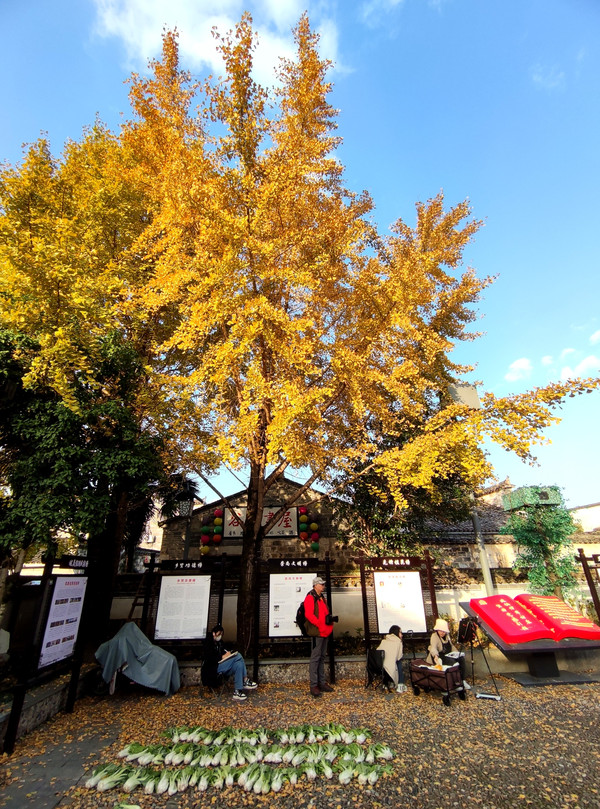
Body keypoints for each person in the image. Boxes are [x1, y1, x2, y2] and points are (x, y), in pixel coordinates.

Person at [201, 624, 257, 702]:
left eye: (221, 634)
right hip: (213, 668)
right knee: (238, 655)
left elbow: (225, 650)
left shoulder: (220, 643)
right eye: (219, 634)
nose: (220, 636)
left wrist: (228, 654)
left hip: (221, 665)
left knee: (239, 665)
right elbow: (210, 658)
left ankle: (237, 691)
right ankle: (245, 680)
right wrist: (222, 657)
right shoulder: (208, 643)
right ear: (214, 633)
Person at [304, 576, 334, 698]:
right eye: (321, 584)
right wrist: (319, 624)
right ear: (315, 585)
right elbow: (308, 614)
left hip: (324, 631)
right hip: (317, 632)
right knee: (315, 658)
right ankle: (314, 684)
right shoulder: (310, 597)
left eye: (323, 584)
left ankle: (321, 682)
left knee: (321, 657)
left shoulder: (322, 597)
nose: (323, 586)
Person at [426, 618, 469, 688]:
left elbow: (451, 646)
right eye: (440, 631)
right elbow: (433, 647)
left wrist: (457, 653)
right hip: (439, 657)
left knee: (461, 659)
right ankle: (455, 683)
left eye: (444, 631)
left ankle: (462, 680)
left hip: (447, 655)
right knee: (453, 663)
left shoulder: (447, 636)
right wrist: (435, 656)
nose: (442, 633)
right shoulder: (434, 636)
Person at [376, 625, 407, 693]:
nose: (402, 635)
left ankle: (388, 683)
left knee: (391, 661)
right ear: (396, 633)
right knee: (399, 662)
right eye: (400, 632)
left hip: (379, 667)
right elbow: (399, 657)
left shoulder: (384, 641)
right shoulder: (398, 642)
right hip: (389, 669)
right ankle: (400, 684)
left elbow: (377, 652)